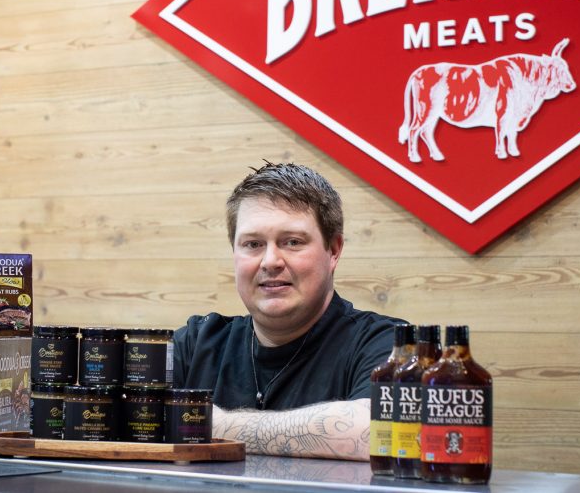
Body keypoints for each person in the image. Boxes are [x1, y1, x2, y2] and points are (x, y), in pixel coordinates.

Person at [173, 162, 407, 460]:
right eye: (253, 244)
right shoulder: (197, 342)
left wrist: (206, 423)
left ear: (333, 251)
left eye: (292, 242)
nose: (270, 261)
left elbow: (381, 431)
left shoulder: (387, 344)